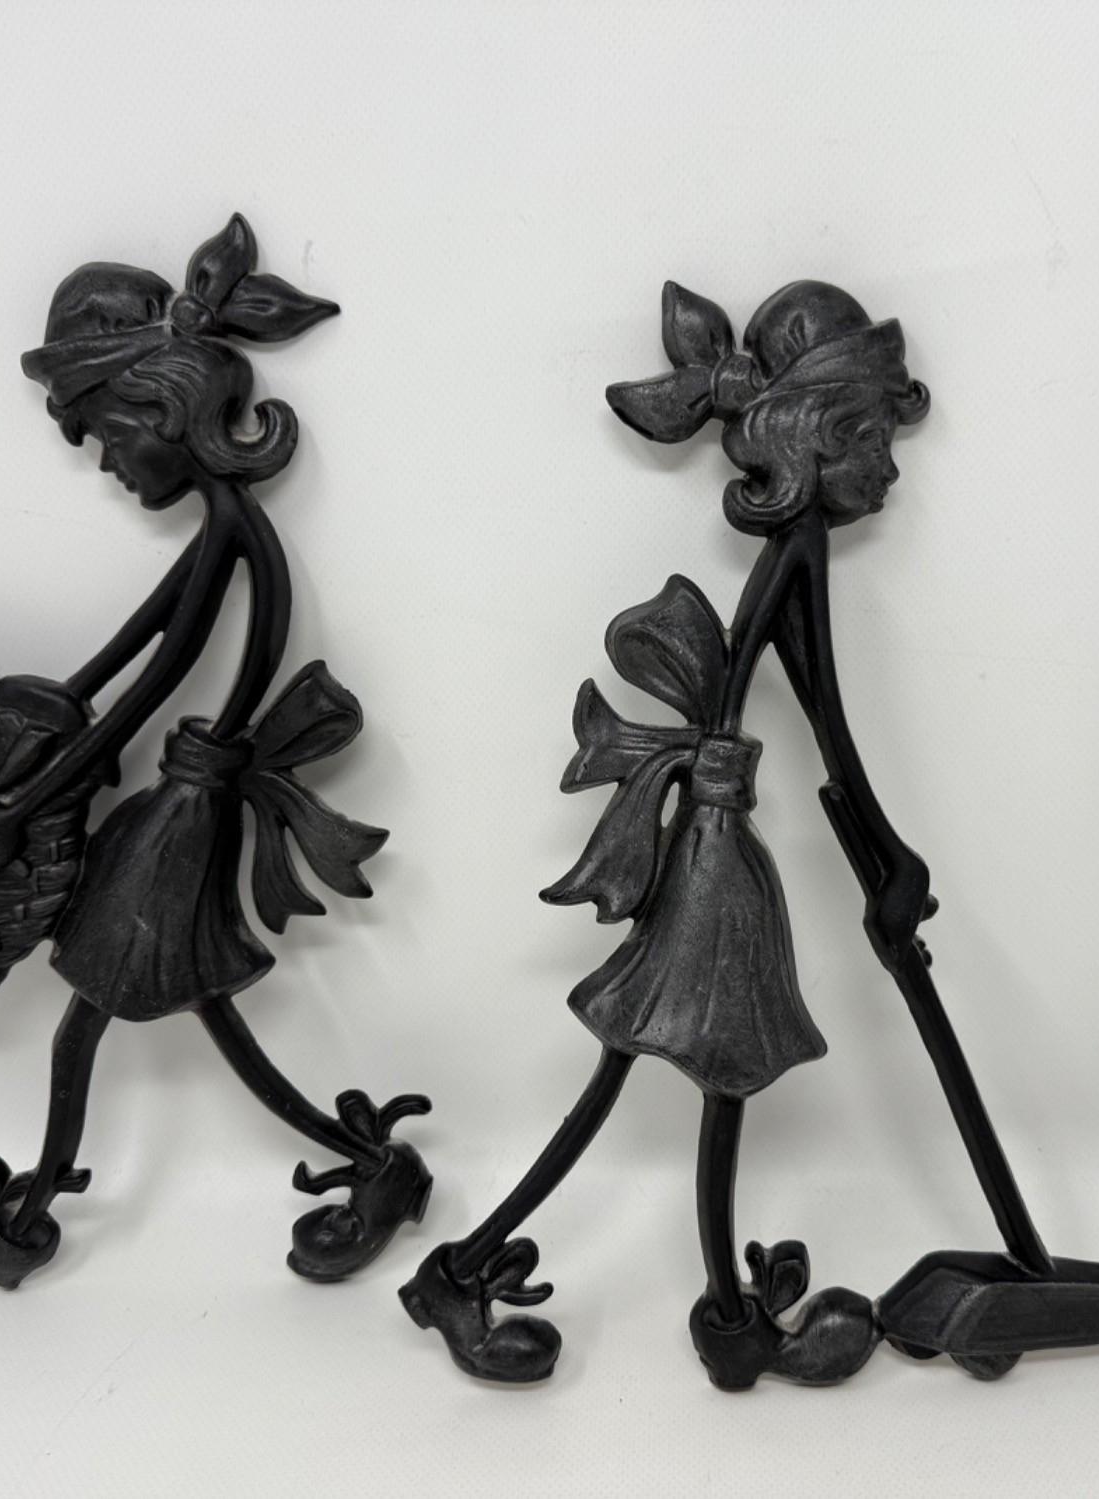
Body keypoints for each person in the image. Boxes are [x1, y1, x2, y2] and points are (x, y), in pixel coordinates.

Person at [401, 280, 941, 1389]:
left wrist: (883, 856)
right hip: (714, 854)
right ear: (817, 436)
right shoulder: (798, 548)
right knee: (694, 1064)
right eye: (873, 438)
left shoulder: (795, 548)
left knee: (683, 1066)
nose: (889, 469)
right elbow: (829, 724)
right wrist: (887, 854)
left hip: (716, 842)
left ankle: (700, 1313)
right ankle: (698, 1320)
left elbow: (810, 708)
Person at [0, 215, 431, 1289]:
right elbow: (127, 654)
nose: (106, 462)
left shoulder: (236, 535)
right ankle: (375, 1166)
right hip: (177, 813)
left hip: (179, 820)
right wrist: (52, 714)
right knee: (188, 1015)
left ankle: (24, 1224)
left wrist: (20, 805)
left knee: (94, 1025)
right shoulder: (221, 534)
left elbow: (149, 689)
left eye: (107, 437)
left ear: (163, 411)